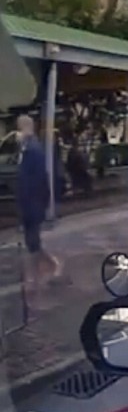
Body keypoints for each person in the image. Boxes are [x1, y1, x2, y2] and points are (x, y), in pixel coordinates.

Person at [15, 115, 62, 287]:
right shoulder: (27, 147)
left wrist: (40, 202)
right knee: (32, 241)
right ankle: (48, 266)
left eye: (19, 128)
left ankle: (37, 275)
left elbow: (38, 179)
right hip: (29, 201)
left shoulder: (33, 149)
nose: (18, 133)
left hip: (32, 202)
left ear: (26, 128)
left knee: (32, 240)